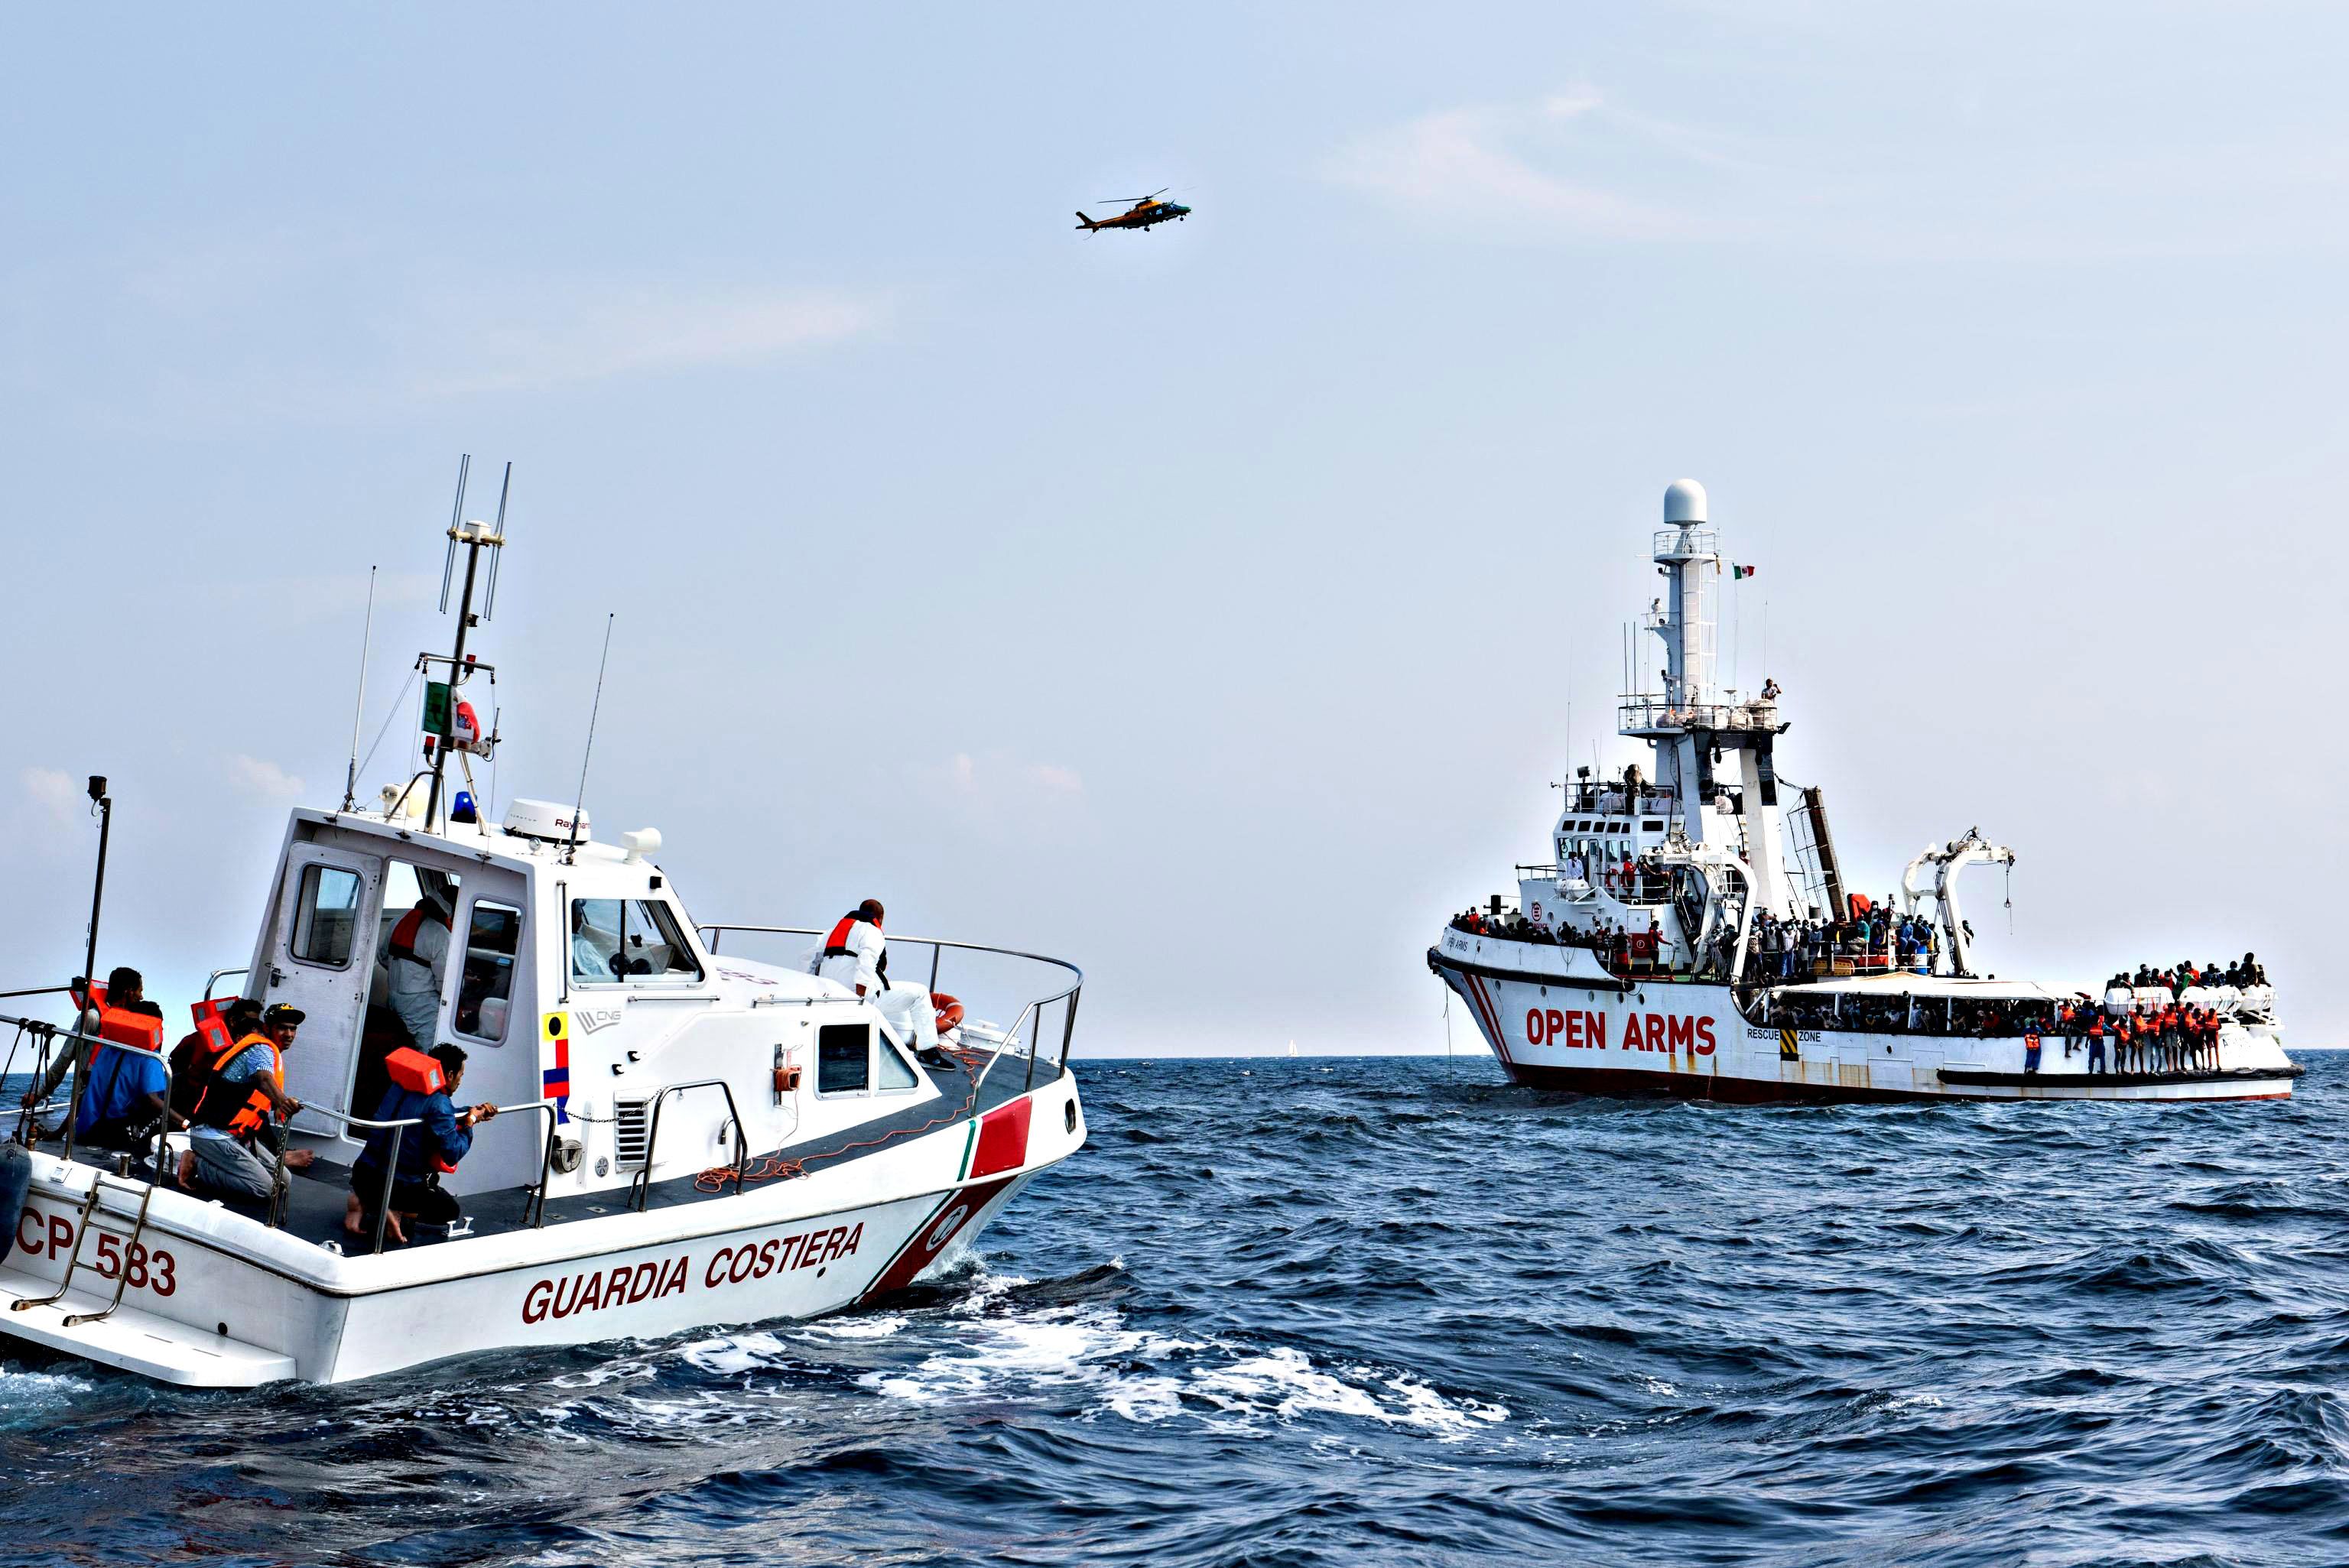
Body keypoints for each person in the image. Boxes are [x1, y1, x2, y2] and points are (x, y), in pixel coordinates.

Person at [345, 1044, 498, 1246]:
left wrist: (471, 1112)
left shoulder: (399, 1086)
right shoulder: (439, 1103)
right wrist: (469, 1123)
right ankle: (393, 1209)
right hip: (399, 1186)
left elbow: (435, 1115)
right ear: (450, 1075)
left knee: (387, 1177)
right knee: (448, 1210)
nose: (460, 1081)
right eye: (461, 1075)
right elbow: (452, 1153)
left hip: (363, 1175)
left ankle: (366, 1199)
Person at [181, 1004, 314, 1214]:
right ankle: (197, 1163)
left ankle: (216, 1163)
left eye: (293, 1029)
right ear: (268, 1028)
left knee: (284, 1181)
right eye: (282, 1028)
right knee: (266, 1189)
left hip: (239, 1135)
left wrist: (280, 1102)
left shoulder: (270, 1052)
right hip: (214, 1133)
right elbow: (262, 1078)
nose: (289, 1034)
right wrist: (282, 1101)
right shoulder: (261, 1049)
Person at [809, 899, 940, 1055]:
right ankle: (929, 1053)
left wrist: (811, 993)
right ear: (880, 917)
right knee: (921, 993)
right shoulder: (872, 931)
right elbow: (867, 961)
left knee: (883, 991)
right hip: (855, 996)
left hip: (828, 993)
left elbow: (809, 960)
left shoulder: (831, 932)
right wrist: (860, 1003)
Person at [26, 966, 156, 1112]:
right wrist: (38, 1094)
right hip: (88, 1098)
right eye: (140, 991)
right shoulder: (92, 1018)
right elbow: (65, 1057)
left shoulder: (132, 1020)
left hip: (118, 1099)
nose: (141, 997)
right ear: (128, 991)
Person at [385, 888, 454, 1051]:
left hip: (393, 999)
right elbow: (444, 984)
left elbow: (382, 957)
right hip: (420, 1006)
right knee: (427, 1050)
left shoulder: (397, 921)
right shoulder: (441, 934)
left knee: (397, 1044)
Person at [171, 998, 259, 1123]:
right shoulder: (197, 1041)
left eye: (256, 1024)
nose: (254, 1029)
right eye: (250, 1023)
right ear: (233, 1021)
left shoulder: (243, 1050)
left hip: (213, 1110)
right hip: (185, 1103)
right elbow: (173, 1068)